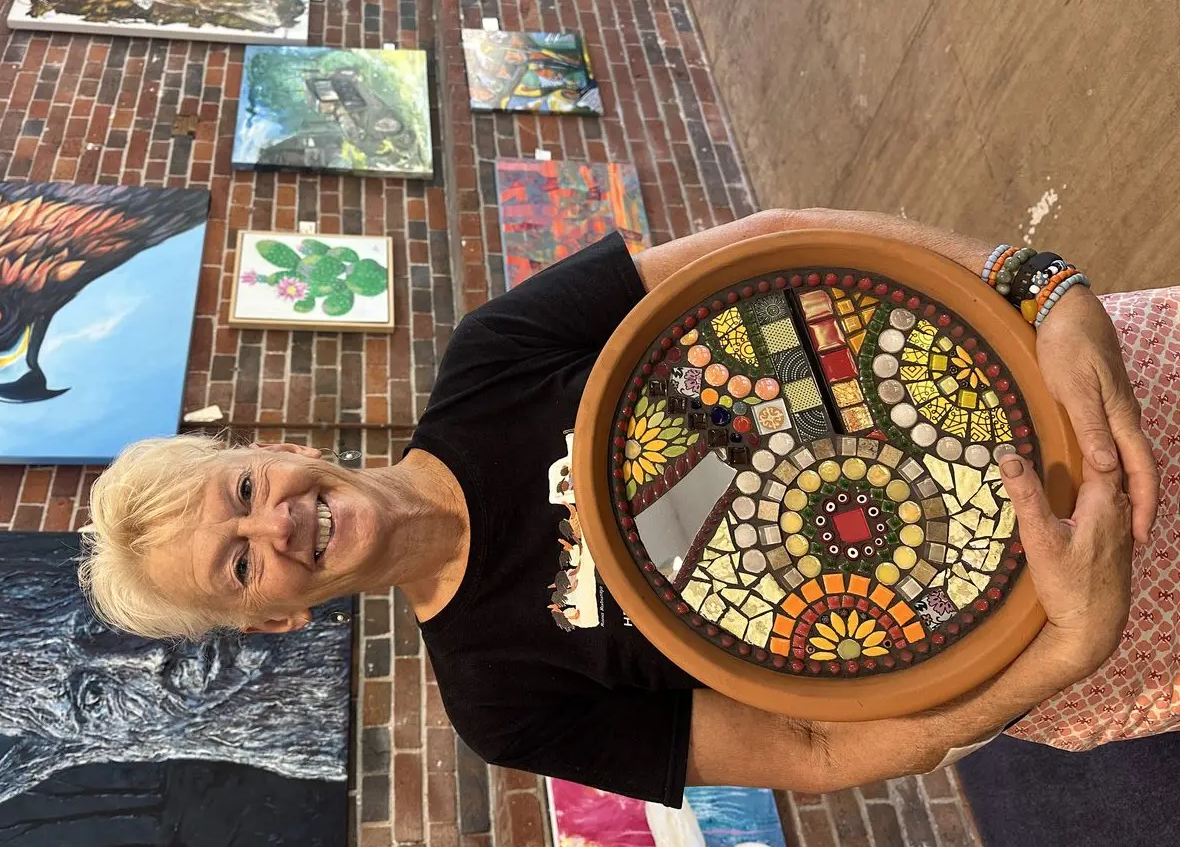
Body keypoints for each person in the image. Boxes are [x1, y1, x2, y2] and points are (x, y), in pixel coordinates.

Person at [79, 208, 1160, 807]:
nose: (272, 526)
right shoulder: (499, 703)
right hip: (1089, 633)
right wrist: (1071, 645)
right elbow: (816, 754)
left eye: (243, 492)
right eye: (236, 565)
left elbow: (767, 245)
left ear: (275, 450)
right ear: (273, 618)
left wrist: (1036, 286)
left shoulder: (489, 359)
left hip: (1061, 392)